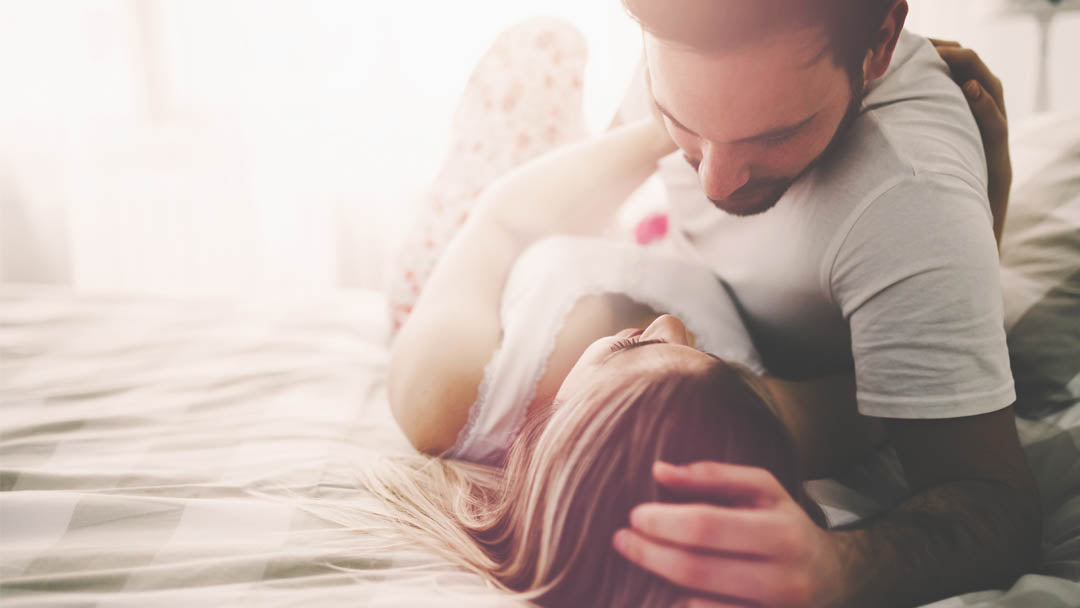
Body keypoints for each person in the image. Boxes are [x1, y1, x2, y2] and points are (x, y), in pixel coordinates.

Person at [383, 1, 1028, 600]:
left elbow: (496, 221)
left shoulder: (445, 395)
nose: (714, 183)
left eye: (773, 134)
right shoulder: (741, 418)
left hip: (517, 250)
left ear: (882, 39)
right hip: (618, 242)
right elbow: (877, 409)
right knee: (554, 79)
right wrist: (991, 214)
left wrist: (672, 131)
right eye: (683, 117)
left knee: (520, 96)